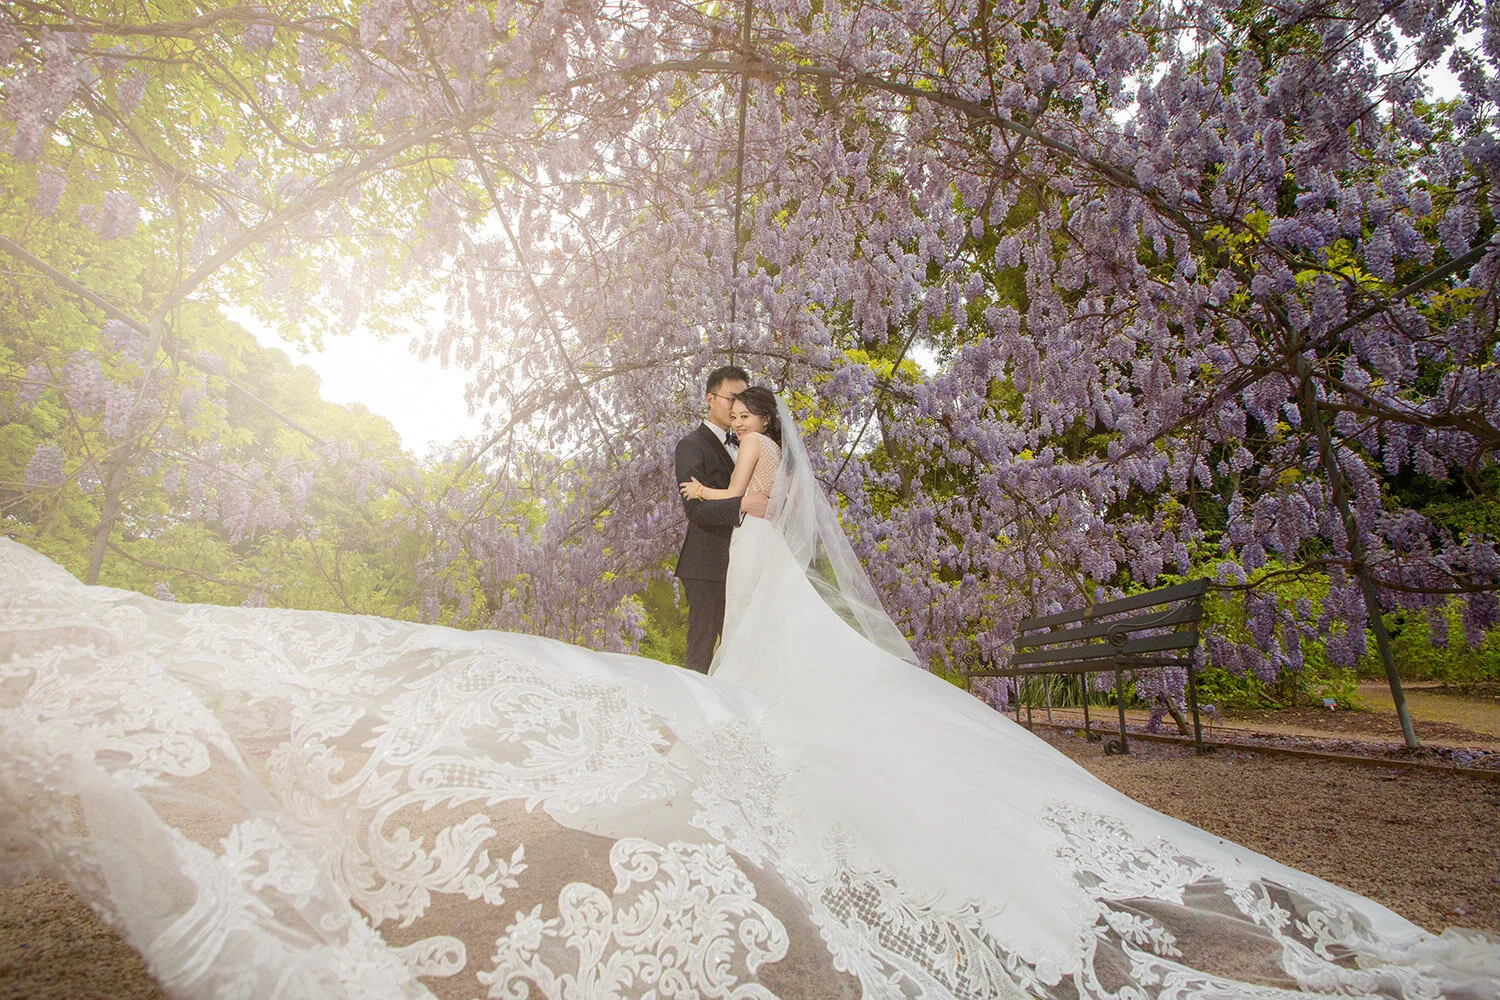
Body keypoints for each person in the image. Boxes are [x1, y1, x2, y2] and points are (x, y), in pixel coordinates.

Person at [2, 388, 1496, 998]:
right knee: (759, 712)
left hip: (767, 591)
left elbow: (730, 517)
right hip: (762, 604)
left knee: (773, 720)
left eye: (733, 406)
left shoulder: (753, 461)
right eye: (717, 410)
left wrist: (712, 469)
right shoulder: (752, 454)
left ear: (759, 419)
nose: (718, 421)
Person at [672, 365, 765, 672]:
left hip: (745, 560)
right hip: (707, 564)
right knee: (701, 652)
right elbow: (695, 509)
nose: (739, 406)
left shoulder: (750, 442)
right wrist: (743, 505)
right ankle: (690, 717)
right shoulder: (691, 445)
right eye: (733, 397)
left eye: (746, 399)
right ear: (711, 399)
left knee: (742, 651)